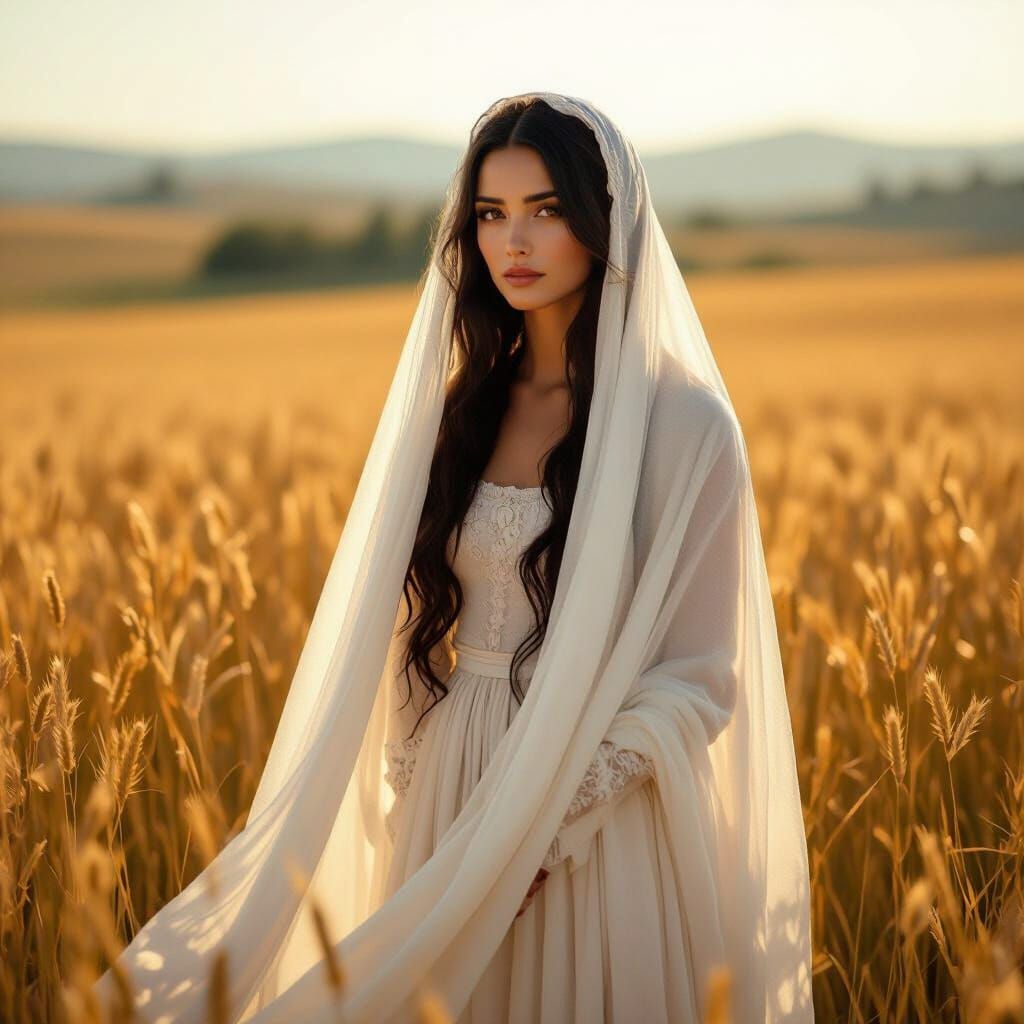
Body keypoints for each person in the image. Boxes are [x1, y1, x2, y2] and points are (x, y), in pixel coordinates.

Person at [93, 92, 814, 1024]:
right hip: (449, 788)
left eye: (546, 210)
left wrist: (541, 830)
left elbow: (701, 677)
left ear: (608, 222)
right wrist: (416, 782)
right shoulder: (458, 415)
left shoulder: (688, 428)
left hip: (594, 821)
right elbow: (398, 624)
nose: (514, 240)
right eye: (490, 213)